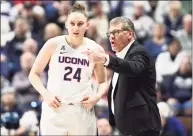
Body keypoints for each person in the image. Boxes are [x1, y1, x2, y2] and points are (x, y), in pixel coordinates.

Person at [28, 3, 107, 135]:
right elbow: (33, 74)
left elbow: (102, 82)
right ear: (66, 24)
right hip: (55, 109)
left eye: (80, 24)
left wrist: (96, 97)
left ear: (87, 25)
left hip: (81, 110)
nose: (76, 28)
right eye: (72, 23)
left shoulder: (95, 48)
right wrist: (46, 95)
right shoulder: (53, 44)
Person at [83, 16, 162, 136]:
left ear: (130, 33)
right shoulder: (122, 56)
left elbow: (134, 68)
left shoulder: (139, 51)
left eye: (116, 32)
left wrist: (105, 59)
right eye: (109, 33)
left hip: (142, 126)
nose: (111, 37)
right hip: (129, 126)